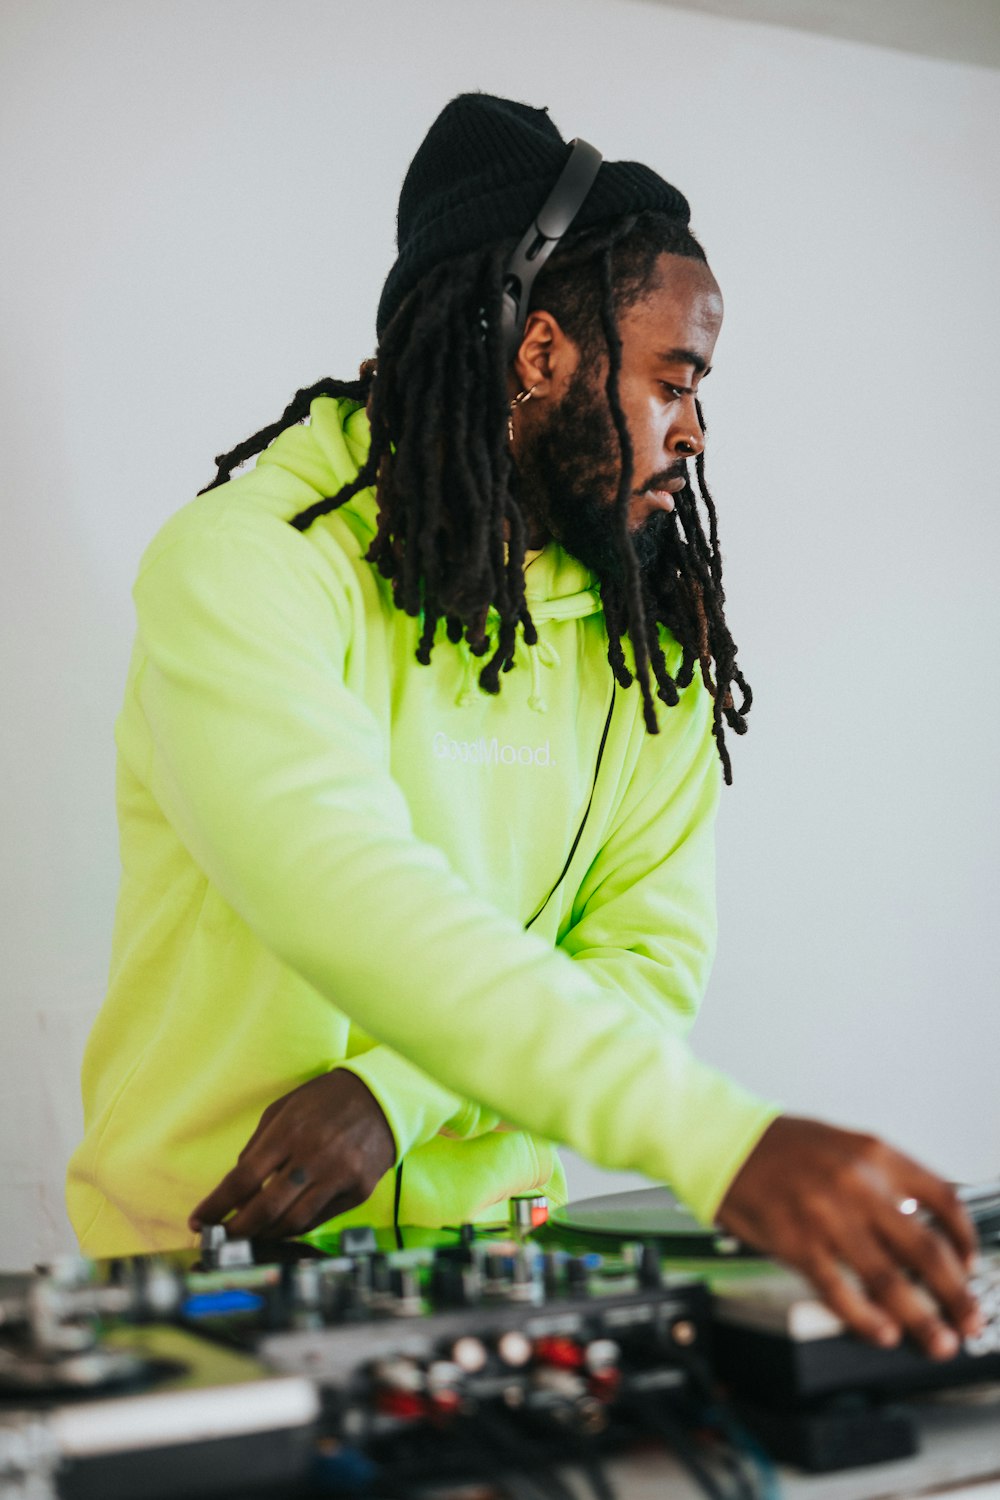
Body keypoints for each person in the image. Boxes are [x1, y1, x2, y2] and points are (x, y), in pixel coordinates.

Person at [67, 92, 980, 1360]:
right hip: (199, 1287)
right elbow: (345, 891)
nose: (694, 432)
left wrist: (397, 1095)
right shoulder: (243, 569)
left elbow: (646, 963)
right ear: (539, 352)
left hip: (502, 1281)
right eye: (674, 378)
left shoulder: (645, 641)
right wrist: (722, 1145)